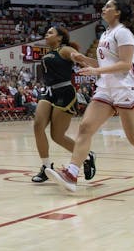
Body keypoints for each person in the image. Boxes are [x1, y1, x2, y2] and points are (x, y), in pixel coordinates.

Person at [46, 0, 134, 194]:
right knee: (85, 127)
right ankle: (72, 174)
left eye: (108, 6)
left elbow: (124, 64)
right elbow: (104, 64)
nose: (103, 8)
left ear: (118, 12)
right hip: (106, 87)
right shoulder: (106, 33)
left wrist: (96, 71)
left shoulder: (123, 32)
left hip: (126, 87)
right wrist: (85, 60)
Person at [31, 27, 95, 183]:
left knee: (57, 136)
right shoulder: (48, 53)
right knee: (38, 125)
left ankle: (87, 156)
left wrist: (94, 64)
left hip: (64, 91)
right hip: (48, 91)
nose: (47, 34)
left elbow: (82, 59)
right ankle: (46, 167)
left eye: (51, 32)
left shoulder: (65, 49)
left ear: (59, 38)